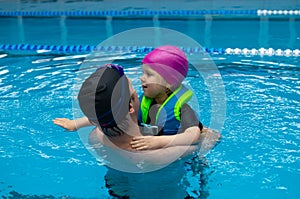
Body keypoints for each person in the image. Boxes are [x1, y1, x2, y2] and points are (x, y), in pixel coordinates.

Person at [53, 46, 210, 150]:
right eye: (143, 73)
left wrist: (159, 142)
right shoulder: (144, 101)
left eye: (149, 75)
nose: (141, 78)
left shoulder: (182, 109)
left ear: (170, 81)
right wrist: (76, 124)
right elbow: (111, 111)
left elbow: (193, 135)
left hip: (172, 144)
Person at [72, 64, 220, 172]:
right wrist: (204, 132)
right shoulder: (157, 155)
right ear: (131, 106)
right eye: (133, 90)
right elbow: (211, 140)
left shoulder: (95, 137)